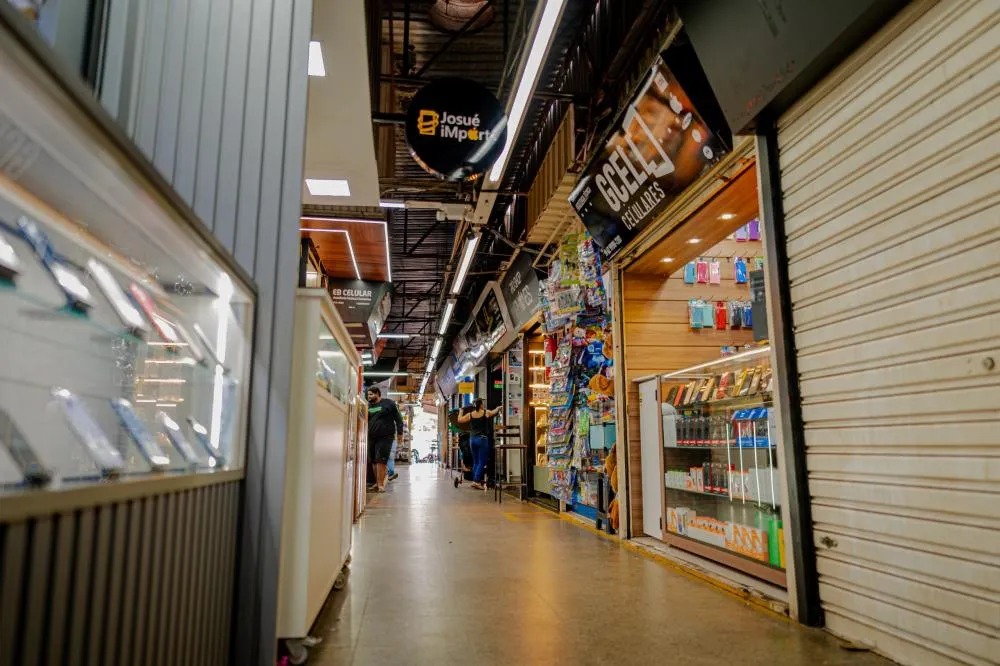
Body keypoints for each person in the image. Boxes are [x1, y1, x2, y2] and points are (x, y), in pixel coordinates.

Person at [457, 398, 501, 490]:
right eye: (482, 403)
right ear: (481, 404)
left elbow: (459, 420)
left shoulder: (470, 414)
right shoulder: (485, 412)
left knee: (476, 462)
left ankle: (475, 480)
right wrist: (498, 408)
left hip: (472, 440)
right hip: (482, 439)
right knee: (482, 462)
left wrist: (461, 411)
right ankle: (476, 481)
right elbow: (494, 412)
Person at [366, 386, 404, 492]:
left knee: (381, 460)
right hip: (371, 436)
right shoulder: (367, 406)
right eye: (368, 395)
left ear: (378, 394)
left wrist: (400, 433)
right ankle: (377, 483)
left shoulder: (389, 403)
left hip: (385, 437)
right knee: (373, 460)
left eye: (371, 394)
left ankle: (380, 485)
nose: (369, 397)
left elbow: (398, 419)